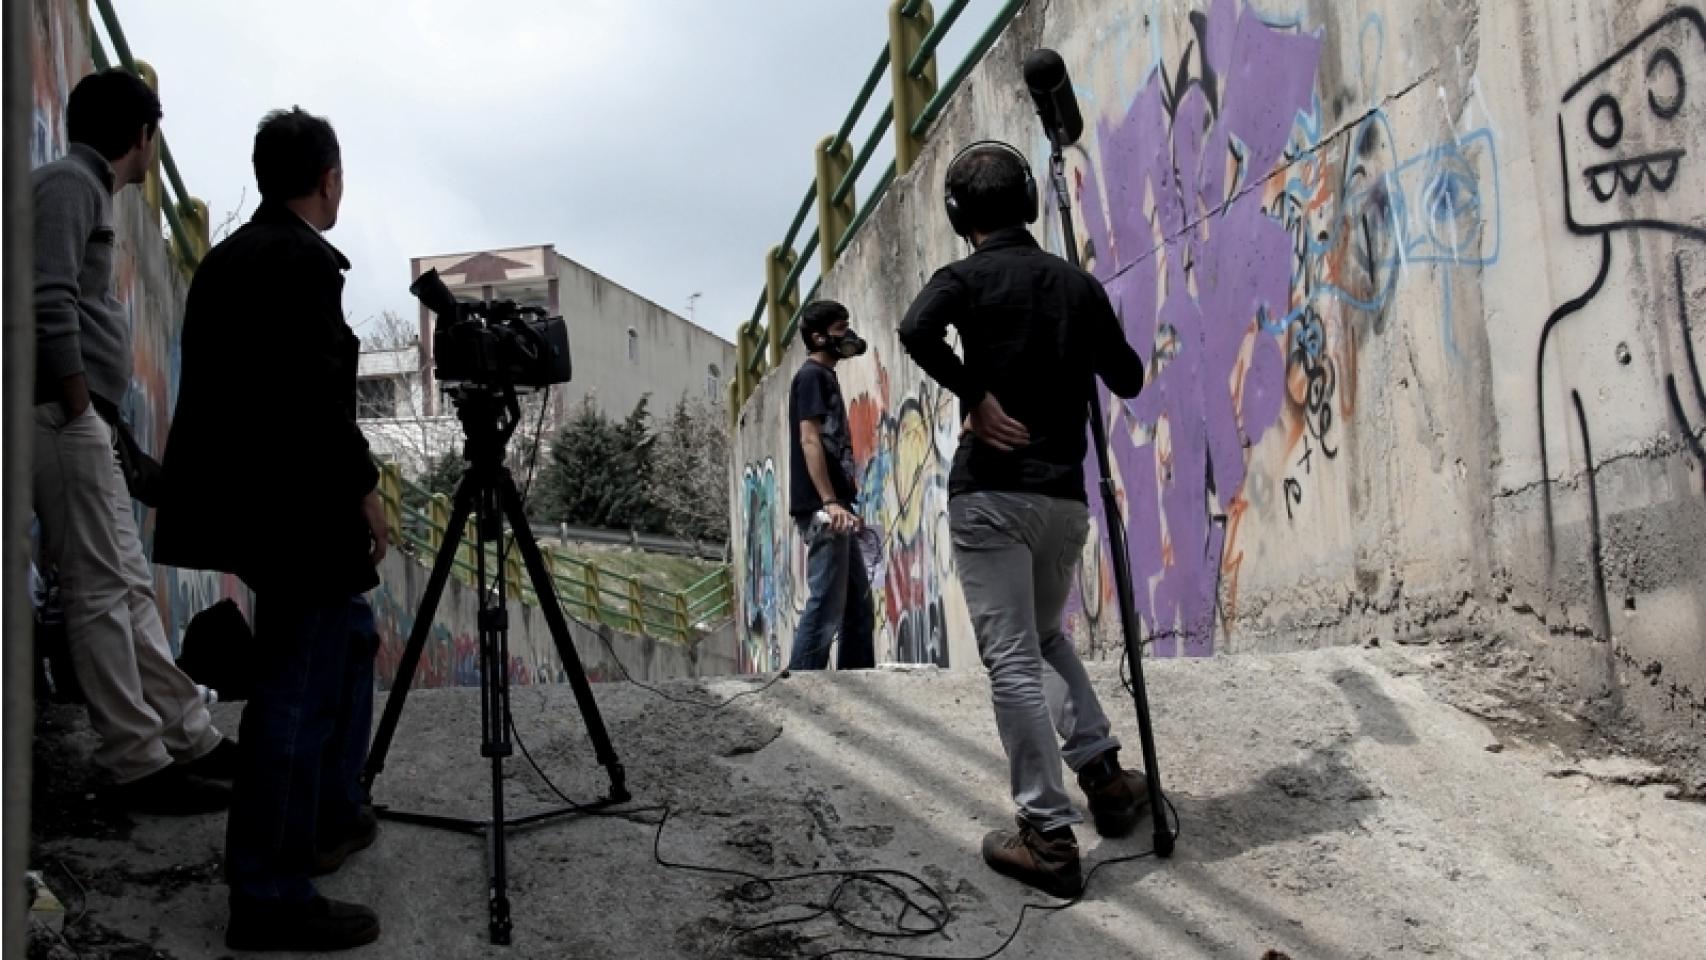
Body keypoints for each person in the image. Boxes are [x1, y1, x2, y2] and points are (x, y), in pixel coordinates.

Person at [154, 107, 387, 952]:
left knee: (348, 638)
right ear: (328, 179)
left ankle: (329, 815)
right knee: (293, 696)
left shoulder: (226, 260)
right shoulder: (300, 264)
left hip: (246, 506)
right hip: (296, 511)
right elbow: (315, 399)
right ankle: (269, 893)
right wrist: (364, 488)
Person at [898, 141, 1149, 898]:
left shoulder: (962, 278)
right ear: (1032, 204)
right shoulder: (1077, 285)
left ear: (955, 214)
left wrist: (973, 393)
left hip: (992, 497)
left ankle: (1046, 835)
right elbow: (1129, 377)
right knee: (1042, 639)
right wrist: (1078, 315)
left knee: (1012, 656)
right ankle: (1104, 777)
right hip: (1062, 502)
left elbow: (915, 331)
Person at [31, 69, 235, 815]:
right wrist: (81, 402)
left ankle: (186, 737)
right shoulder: (68, 184)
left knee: (122, 582)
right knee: (100, 588)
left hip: (77, 417)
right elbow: (46, 295)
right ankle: (135, 759)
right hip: (58, 415)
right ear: (141, 135)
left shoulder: (80, 187)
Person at [786, 300, 877, 671]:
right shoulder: (810, 377)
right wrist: (829, 501)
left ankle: (859, 679)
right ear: (818, 336)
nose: (847, 335)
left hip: (838, 505)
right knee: (825, 602)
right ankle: (802, 686)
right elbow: (810, 439)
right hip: (825, 507)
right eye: (841, 328)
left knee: (857, 602)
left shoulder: (826, 377)